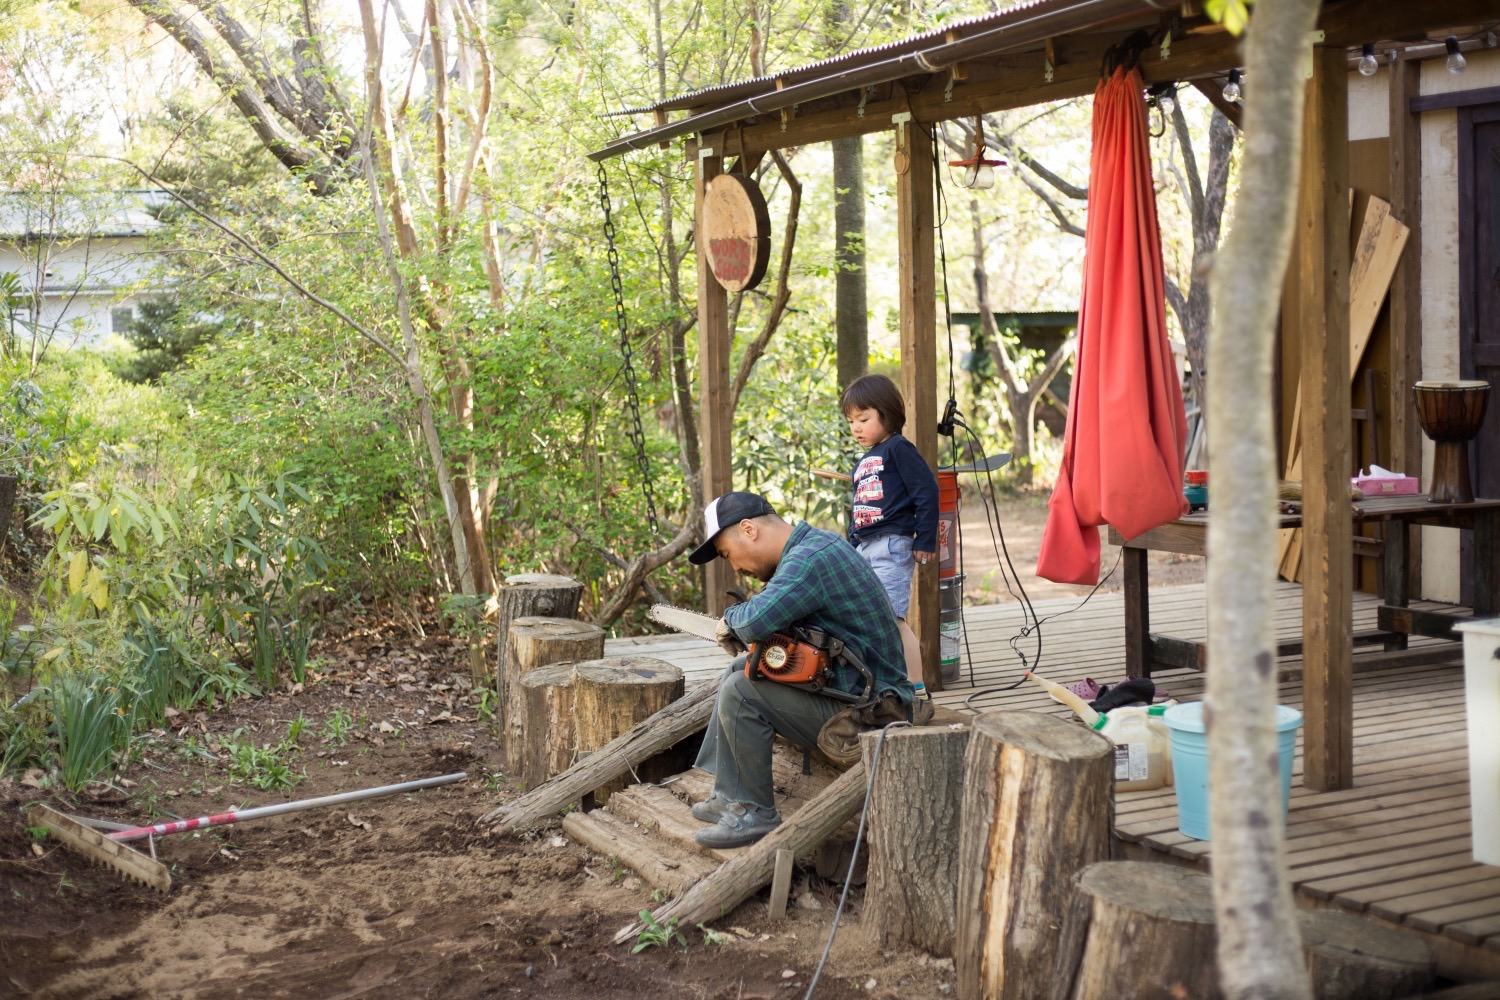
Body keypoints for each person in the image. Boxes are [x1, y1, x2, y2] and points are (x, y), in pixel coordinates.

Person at [687, 491, 914, 848]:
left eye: (728, 555)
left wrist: (730, 620)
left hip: (873, 713)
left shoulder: (809, 561)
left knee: (741, 693)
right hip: (858, 693)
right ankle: (729, 794)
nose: (735, 568)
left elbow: (754, 621)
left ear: (749, 530)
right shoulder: (812, 547)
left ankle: (754, 813)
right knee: (738, 669)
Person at [839, 374, 939, 700]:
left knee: (891, 617)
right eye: (851, 421)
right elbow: (861, 506)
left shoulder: (898, 449)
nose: (856, 428)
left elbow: (926, 491)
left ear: (887, 414)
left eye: (863, 419)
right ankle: (880, 684)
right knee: (864, 617)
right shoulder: (865, 460)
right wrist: (852, 544)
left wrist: (925, 539)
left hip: (892, 544)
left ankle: (916, 688)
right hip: (865, 547)